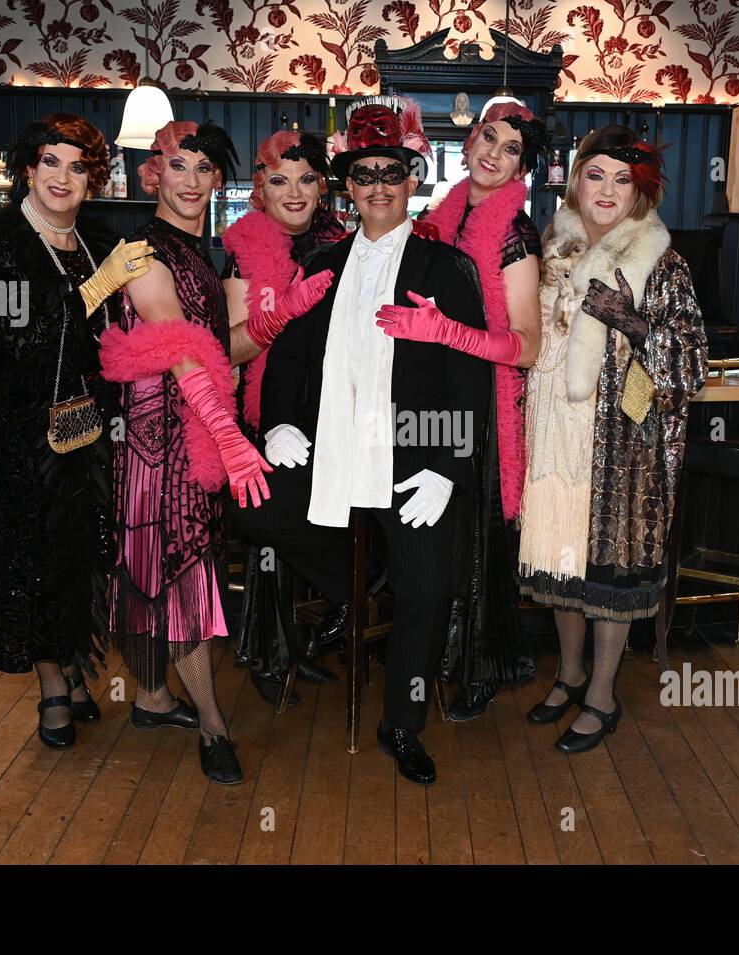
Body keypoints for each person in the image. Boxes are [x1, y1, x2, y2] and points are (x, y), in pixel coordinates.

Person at [231, 96, 493, 785]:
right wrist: (280, 421)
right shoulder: (321, 259)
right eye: (364, 173)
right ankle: (362, 587)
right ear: (348, 184)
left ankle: (401, 722)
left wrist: (446, 466)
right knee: (253, 506)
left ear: (413, 179)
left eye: (391, 172)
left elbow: (469, 377)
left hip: (413, 453)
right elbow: (284, 354)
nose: (378, 186)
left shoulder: (446, 271)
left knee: (431, 589)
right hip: (331, 450)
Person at [97, 120, 332, 783]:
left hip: (193, 426)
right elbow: (175, 343)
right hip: (159, 436)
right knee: (180, 567)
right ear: (154, 174)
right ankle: (212, 724)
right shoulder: (139, 250)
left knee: (169, 563)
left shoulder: (204, 254)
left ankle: (151, 697)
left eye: (205, 169)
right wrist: (227, 434)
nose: (192, 180)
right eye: (179, 166)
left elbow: (223, 346)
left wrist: (279, 313)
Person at [0, 112, 154, 749]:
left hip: (89, 436)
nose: (62, 177)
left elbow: (116, 337)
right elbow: (21, 341)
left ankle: (74, 667)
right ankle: (51, 686)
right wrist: (98, 288)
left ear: (93, 179)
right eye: (51, 162)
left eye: (77, 166)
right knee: (31, 559)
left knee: (80, 556)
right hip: (18, 439)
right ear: (28, 167)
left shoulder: (97, 239)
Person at [518, 126, 707, 754]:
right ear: (575, 181)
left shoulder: (661, 263)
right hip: (553, 428)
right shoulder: (552, 248)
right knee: (561, 557)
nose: (606, 189)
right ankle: (569, 673)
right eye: (595, 174)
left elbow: (689, 368)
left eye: (621, 178)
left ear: (640, 191)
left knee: (608, 567)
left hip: (619, 443)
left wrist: (629, 320)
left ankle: (602, 692)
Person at [380, 99, 546, 722]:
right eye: (486, 136)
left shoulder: (514, 232)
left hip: (491, 406)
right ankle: (445, 660)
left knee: (476, 547)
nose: (491, 153)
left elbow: (527, 347)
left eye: (508, 148)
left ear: (522, 166)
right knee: (446, 547)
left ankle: (481, 668)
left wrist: (447, 333)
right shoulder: (446, 214)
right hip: (442, 399)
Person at [220, 130, 346, 707]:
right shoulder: (243, 250)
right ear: (260, 192)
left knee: (333, 510)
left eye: (305, 179)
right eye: (279, 180)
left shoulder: (343, 244)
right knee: (266, 519)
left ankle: (297, 644)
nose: (293, 192)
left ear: (322, 186)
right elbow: (232, 349)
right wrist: (285, 313)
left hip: (326, 411)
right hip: (254, 412)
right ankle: (272, 652)